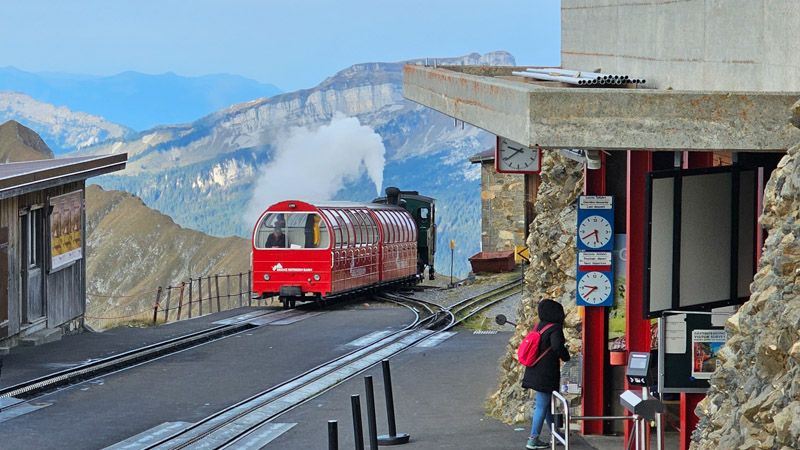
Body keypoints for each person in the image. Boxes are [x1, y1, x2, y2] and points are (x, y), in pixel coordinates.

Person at [521, 298, 570, 449]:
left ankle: (555, 433)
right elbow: (557, 346)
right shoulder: (555, 328)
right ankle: (533, 439)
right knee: (542, 405)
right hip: (546, 374)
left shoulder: (539, 326)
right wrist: (566, 356)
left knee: (547, 405)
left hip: (534, 370)